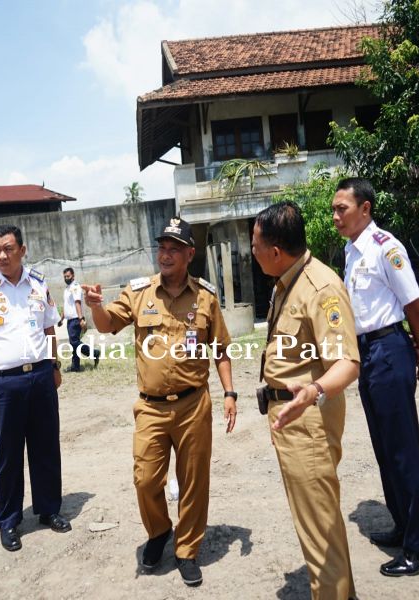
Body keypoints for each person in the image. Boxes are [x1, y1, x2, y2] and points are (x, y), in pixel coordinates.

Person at [82, 217, 237, 587]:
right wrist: (96, 306)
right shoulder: (138, 293)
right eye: (161, 248)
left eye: (173, 249)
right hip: (151, 407)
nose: (165, 255)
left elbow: (221, 351)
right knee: (145, 479)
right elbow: (106, 325)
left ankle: (187, 549)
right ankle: (158, 531)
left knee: (194, 480)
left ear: (189, 254)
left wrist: (230, 393)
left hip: (193, 404)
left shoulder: (205, 298)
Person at [332, 177, 419, 577]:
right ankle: (404, 526)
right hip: (368, 354)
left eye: (342, 208)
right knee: (384, 449)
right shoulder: (351, 250)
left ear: (365, 209)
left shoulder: (385, 249)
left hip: (390, 349)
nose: (335, 216)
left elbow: (414, 305)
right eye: (334, 209)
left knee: (402, 452)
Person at [251, 201, 360, 600]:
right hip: (292, 417)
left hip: (307, 420)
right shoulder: (288, 282)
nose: (253, 252)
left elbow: (347, 364)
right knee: (320, 521)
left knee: (319, 529)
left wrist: (312, 392)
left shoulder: (320, 287)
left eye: (255, 245)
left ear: (276, 252)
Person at [0, 224, 71, 553]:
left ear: (23, 250)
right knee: (7, 454)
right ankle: (8, 521)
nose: (2, 256)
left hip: (39, 377)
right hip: (3, 383)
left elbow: (50, 326)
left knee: (46, 447)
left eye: (8, 249)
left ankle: (49, 509)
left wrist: (54, 364)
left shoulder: (38, 283)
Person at [59, 267, 99, 372]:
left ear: (73, 276)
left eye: (68, 276)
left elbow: (78, 302)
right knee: (74, 343)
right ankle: (76, 366)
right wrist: (61, 319)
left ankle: (94, 353)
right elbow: (65, 305)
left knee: (74, 342)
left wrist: (81, 318)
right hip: (69, 320)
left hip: (76, 319)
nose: (66, 278)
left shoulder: (75, 287)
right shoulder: (67, 289)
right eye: (64, 277)